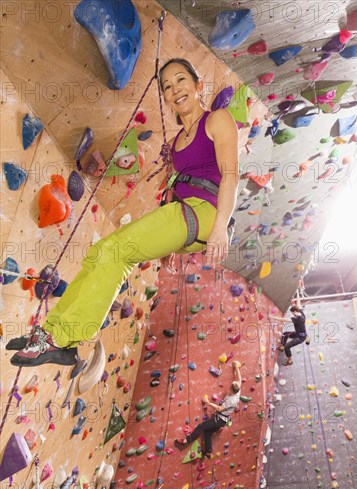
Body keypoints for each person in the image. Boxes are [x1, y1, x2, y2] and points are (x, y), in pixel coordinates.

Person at [8, 58, 239, 367]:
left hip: (208, 213)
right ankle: (50, 334)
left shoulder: (217, 119)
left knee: (117, 252)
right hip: (185, 216)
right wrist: (169, 246)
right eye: (167, 86)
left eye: (181, 80)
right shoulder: (177, 141)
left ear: (198, 86)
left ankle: (62, 339)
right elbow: (176, 188)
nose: (174, 90)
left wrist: (221, 227)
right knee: (101, 252)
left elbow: (231, 175)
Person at [174, 361, 242, 459]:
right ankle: (208, 452)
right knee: (208, 433)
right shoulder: (237, 391)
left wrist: (208, 402)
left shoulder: (231, 400)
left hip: (220, 419)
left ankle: (186, 441)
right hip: (223, 420)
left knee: (201, 426)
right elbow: (239, 379)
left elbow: (219, 408)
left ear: (231, 390)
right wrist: (236, 367)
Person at [268, 291, 308, 366]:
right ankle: (282, 347)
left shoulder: (298, 318)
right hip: (299, 333)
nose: (292, 314)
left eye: (293, 313)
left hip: (301, 338)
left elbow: (284, 320)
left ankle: (290, 360)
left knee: (287, 347)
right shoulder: (301, 313)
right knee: (285, 334)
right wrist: (297, 293)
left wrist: (272, 317)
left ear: (295, 312)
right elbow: (298, 303)